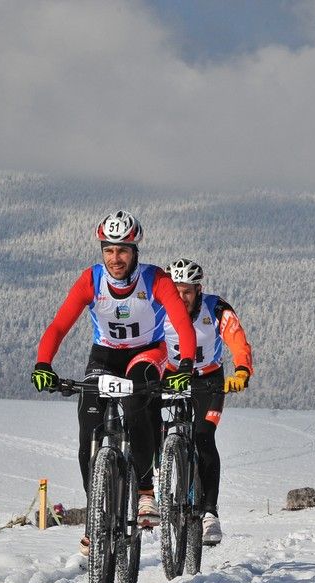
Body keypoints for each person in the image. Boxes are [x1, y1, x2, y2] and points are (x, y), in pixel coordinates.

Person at [31, 211, 197, 555]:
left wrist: (186, 363)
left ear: (134, 251)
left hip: (148, 353)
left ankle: (146, 493)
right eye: (109, 250)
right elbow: (59, 325)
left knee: (138, 399)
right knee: (88, 425)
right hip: (104, 355)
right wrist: (43, 363)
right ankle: (97, 516)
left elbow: (182, 323)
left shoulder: (155, 279)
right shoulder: (91, 280)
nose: (115, 258)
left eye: (122, 250)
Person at [160, 258, 253, 545]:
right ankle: (151, 491)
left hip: (208, 379)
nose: (181, 297)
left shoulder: (215, 308)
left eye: (187, 291)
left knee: (203, 437)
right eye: (176, 291)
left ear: (198, 289)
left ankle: (210, 513)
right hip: (171, 375)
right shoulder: (159, 307)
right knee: (149, 423)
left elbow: (237, 339)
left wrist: (241, 370)